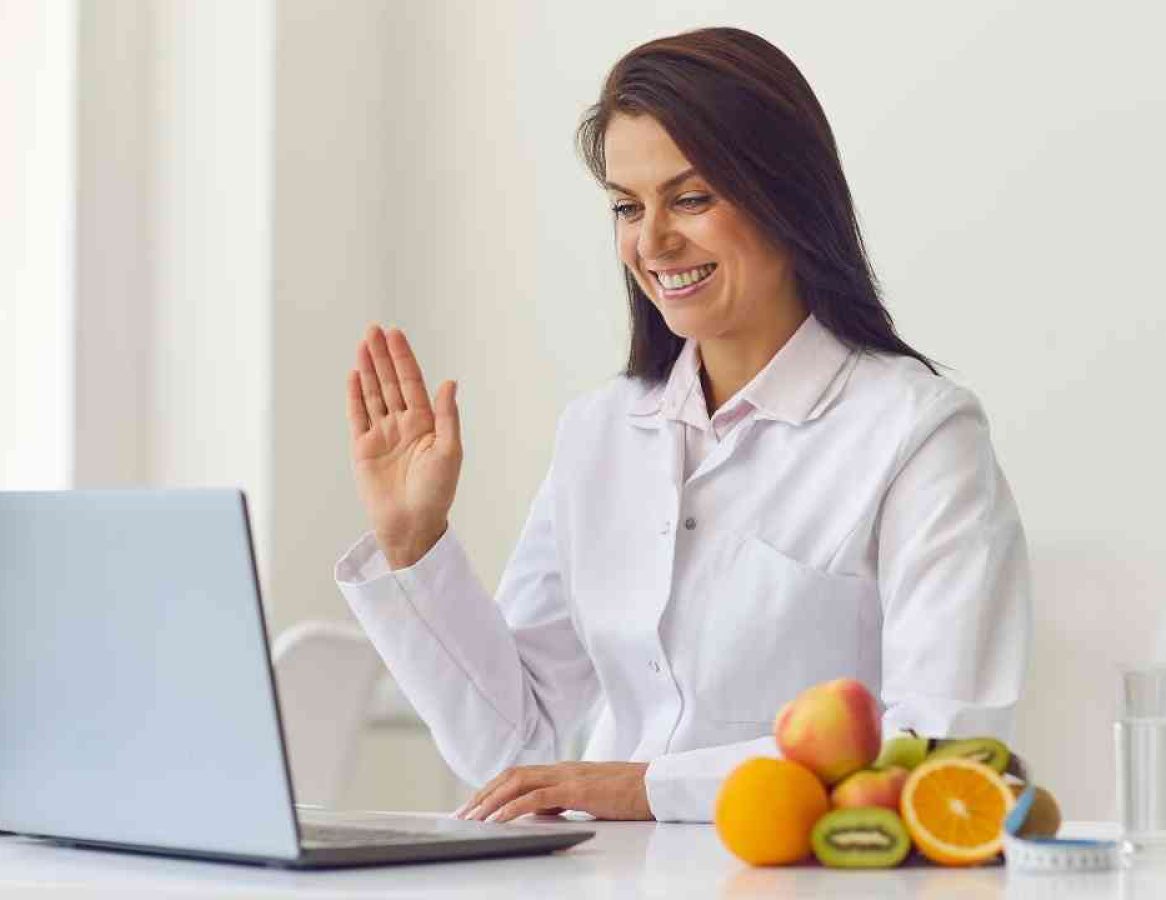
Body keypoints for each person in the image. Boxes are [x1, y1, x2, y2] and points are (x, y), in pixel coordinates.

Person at [334, 26, 1030, 824]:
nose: (652, 240)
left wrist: (648, 787)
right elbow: (516, 752)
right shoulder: (599, 432)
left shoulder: (919, 433)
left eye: (691, 198)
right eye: (628, 207)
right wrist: (412, 544)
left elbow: (944, 748)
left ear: (787, 198)